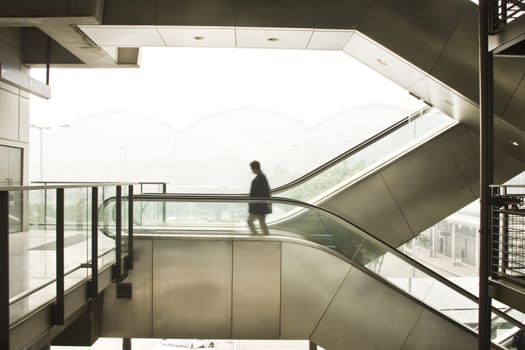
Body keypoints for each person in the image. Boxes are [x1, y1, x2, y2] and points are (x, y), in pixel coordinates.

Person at [247, 160, 271, 235]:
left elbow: (256, 194)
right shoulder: (262, 177)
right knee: (262, 223)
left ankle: (256, 236)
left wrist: (252, 207)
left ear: (254, 168)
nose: (251, 170)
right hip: (262, 206)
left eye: (251, 168)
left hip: (258, 207)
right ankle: (265, 238)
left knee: (250, 221)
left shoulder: (258, 179)